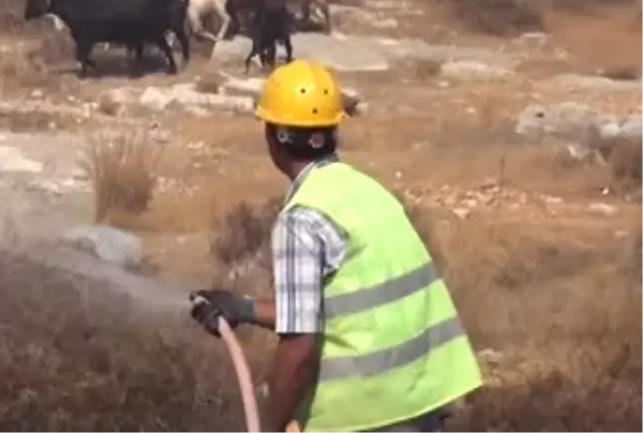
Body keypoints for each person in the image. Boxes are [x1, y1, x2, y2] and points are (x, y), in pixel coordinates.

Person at [189, 59, 482, 433]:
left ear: (274, 136)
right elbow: (345, 309)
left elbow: (298, 351)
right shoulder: (367, 191)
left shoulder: (303, 218)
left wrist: (271, 427)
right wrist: (244, 308)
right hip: (424, 400)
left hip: (368, 415)